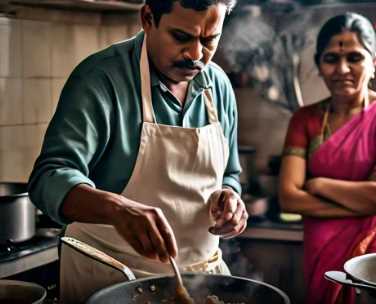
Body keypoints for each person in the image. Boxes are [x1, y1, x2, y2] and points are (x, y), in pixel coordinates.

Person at [28, 0, 248, 303]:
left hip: (202, 282)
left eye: (209, 40)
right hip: (111, 280)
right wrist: (116, 210)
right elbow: (48, 178)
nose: (197, 55)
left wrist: (231, 198)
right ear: (147, 18)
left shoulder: (219, 86)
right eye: (182, 37)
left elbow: (230, 174)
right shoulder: (101, 78)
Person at [279, 12, 376, 304]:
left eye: (355, 58)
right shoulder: (305, 120)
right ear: (319, 66)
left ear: (373, 62)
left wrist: (318, 184)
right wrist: (363, 203)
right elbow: (289, 198)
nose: (342, 68)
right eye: (331, 58)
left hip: (370, 252)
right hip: (321, 249)